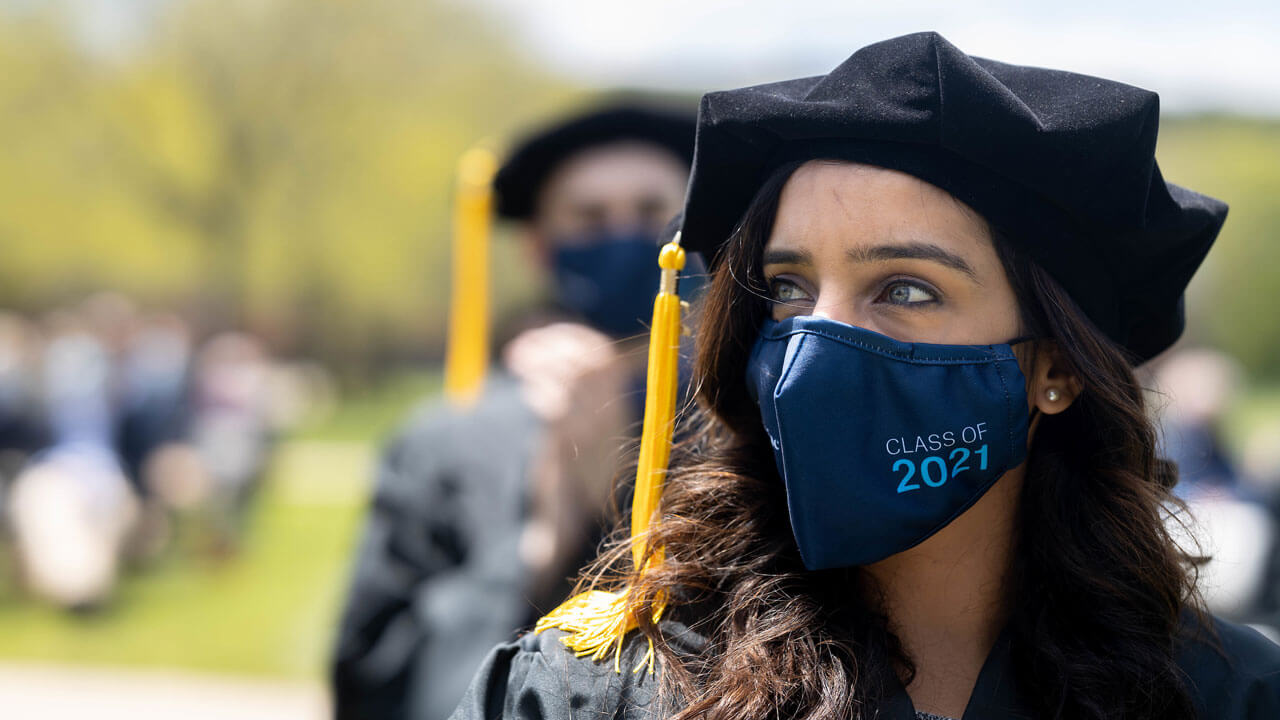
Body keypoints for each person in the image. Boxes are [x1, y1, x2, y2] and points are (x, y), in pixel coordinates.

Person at [449, 32, 1280, 720]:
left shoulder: (1226, 695)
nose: (819, 343)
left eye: (905, 289)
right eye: (788, 288)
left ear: (1055, 366)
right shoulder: (598, 691)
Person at [331, 103, 697, 720]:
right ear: (538, 246)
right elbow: (371, 675)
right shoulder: (446, 440)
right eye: (589, 217)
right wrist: (538, 544)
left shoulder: (743, 423)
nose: (624, 236)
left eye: (651, 212)